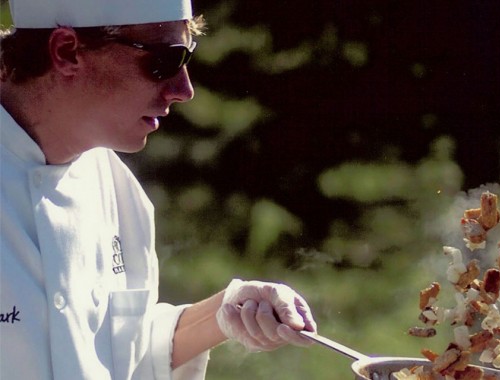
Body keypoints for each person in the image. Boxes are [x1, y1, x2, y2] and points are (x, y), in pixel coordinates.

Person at [0, 0, 316, 379]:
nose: (184, 90)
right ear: (67, 51)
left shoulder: (118, 189)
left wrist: (225, 313)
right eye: (164, 61)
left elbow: (121, 353)